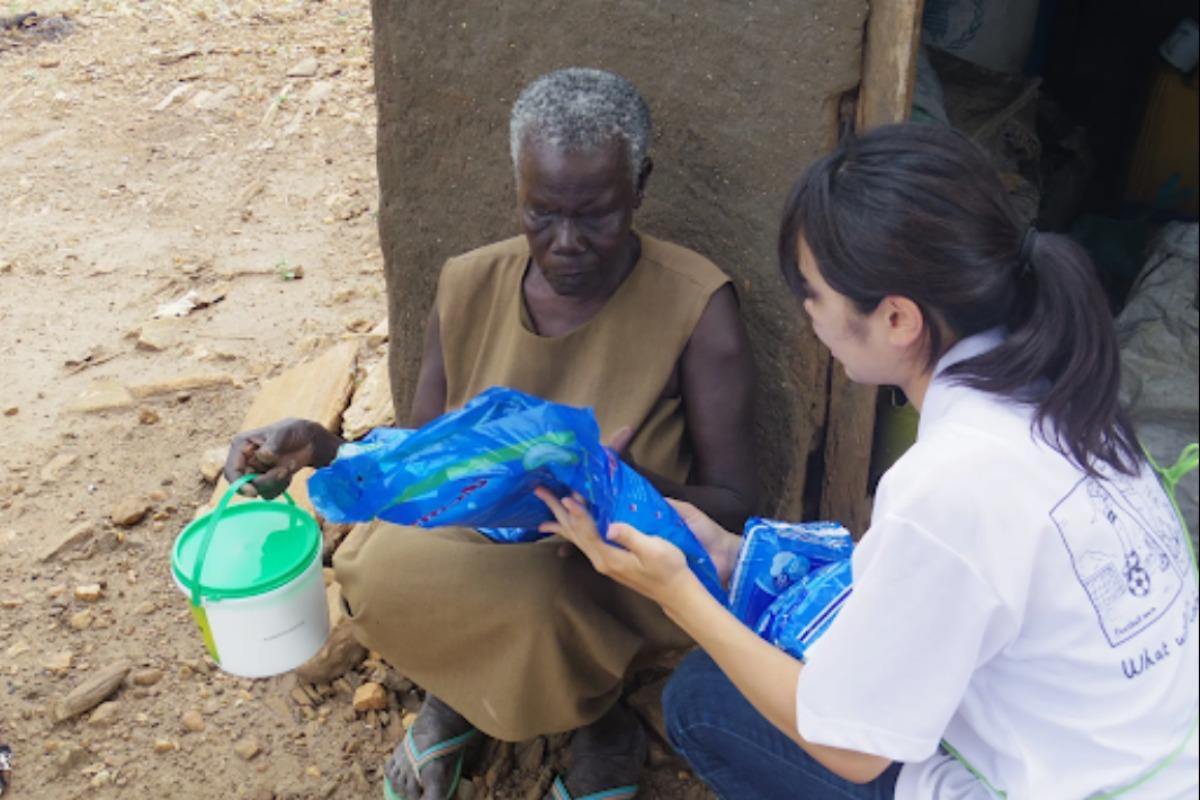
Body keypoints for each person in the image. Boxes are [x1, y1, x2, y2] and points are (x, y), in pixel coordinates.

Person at [537, 122, 1199, 799]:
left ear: (897, 320)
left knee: (707, 701)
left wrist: (676, 593)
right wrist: (729, 555)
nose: (809, 319)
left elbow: (849, 749)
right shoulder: (1061, 388)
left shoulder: (951, 480)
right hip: (1153, 760)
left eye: (813, 295)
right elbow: (926, 578)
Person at [223, 68, 758, 800]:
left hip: (603, 562)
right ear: (518, 191)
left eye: (596, 214)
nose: (565, 242)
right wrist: (321, 446)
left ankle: (598, 719)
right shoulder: (469, 283)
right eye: (542, 212)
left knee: (536, 612)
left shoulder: (697, 304)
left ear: (640, 188)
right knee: (374, 573)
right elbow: (418, 459)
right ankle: (468, 693)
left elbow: (735, 502)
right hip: (473, 541)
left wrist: (620, 484)